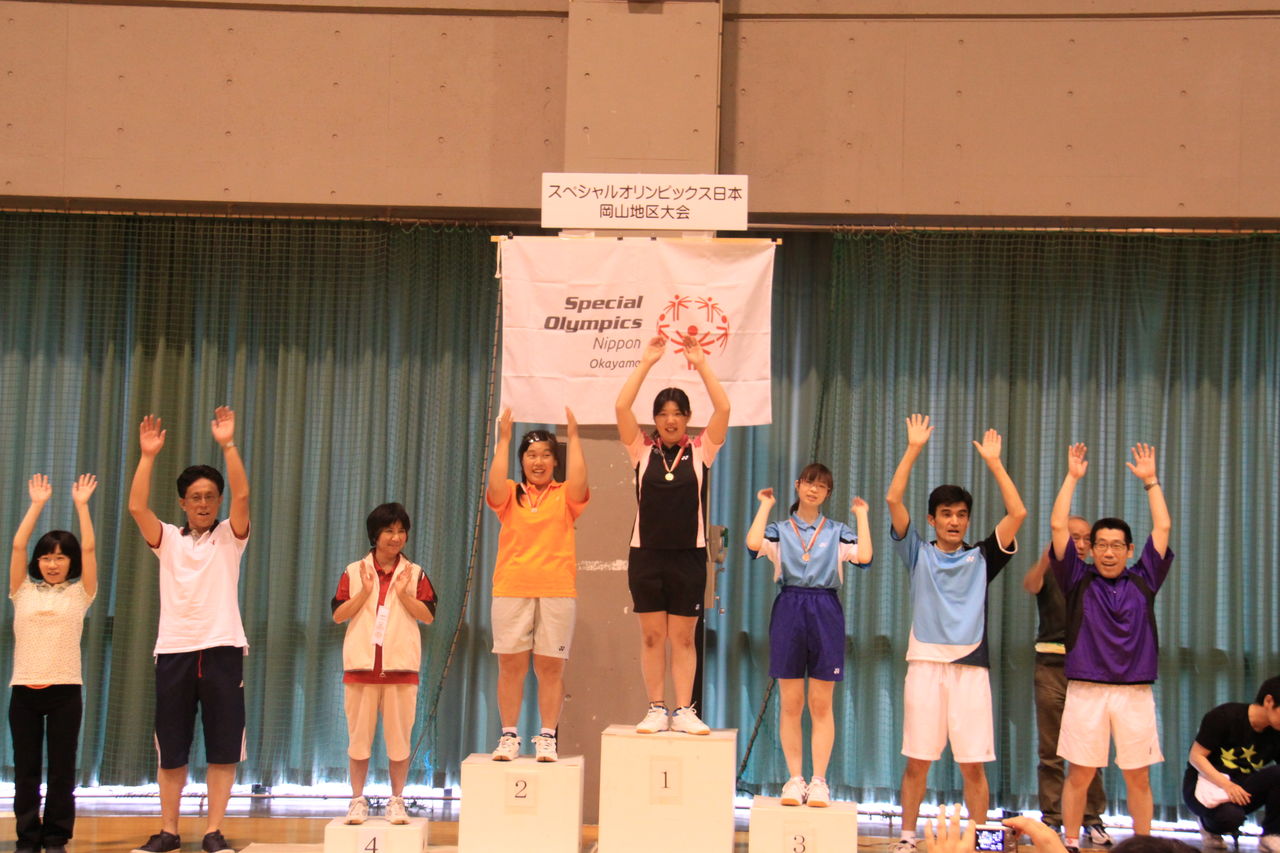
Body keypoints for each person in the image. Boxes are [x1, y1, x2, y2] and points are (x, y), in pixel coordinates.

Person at [885, 414, 1027, 853]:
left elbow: (1018, 513)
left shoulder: (983, 557)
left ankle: (983, 843)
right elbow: (893, 498)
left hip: (970, 669)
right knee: (918, 762)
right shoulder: (917, 553)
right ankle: (907, 838)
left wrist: (995, 463)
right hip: (925, 665)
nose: (954, 521)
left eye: (961, 515)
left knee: (973, 765)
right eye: (946, 514)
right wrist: (913, 448)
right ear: (932, 519)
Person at [128, 408, 251, 853]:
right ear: (183, 503)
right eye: (195, 497)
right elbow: (136, 507)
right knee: (172, 748)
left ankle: (213, 831)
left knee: (223, 747)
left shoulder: (231, 536)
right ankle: (169, 831)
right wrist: (147, 456)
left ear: (218, 501)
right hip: (174, 652)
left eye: (210, 497)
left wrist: (228, 445)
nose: (203, 504)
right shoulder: (168, 539)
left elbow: (243, 494)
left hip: (222, 650)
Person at [1050, 443, 1173, 850]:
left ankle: (1144, 845)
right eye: (1100, 544)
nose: (1107, 552)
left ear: (1130, 550)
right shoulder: (1076, 578)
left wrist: (1151, 481)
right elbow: (1057, 526)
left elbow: (1163, 528)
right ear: (1090, 548)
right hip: (1086, 690)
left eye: (1116, 545)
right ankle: (1070, 842)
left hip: (1135, 693)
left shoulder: (1145, 578)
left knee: (1138, 776)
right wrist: (1072, 478)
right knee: (1080, 774)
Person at [615, 334, 729, 735]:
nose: (670, 420)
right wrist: (646, 362)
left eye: (678, 413)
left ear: (687, 417)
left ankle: (683, 710)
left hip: (688, 556)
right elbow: (621, 406)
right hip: (646, 556)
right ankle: (656, 708)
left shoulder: (701, 451)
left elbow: (724, 408)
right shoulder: (640, 450)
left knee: (683, 638)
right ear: (656, 419)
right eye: (663, 414)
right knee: (651, 637)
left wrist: (702, 364)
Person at [745, 464, 873, 808]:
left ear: (828, 493)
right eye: (809, 483)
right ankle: (794, 779)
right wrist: (765, 505)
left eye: (822, 486)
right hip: (789, 606)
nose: (814, 490)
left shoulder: (838, 531)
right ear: (798, 485)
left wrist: (862, 516)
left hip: (825, 609)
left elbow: (864, 557)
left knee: (821, 703)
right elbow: (753, 544)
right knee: (791, 702)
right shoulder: (779, 529)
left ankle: (819, 782)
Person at [485, 407, 589, 763]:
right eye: (531, 455)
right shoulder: (510, 494)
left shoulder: (565, 495)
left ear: (555, 461)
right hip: (511, 588)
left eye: (546, 455)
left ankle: (547, 736)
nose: (538, 461)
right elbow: (494, 485)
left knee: (550, 667)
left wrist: (573, 436)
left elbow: (580, 480)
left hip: (557, 589)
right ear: (522, 461)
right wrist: (503, 440)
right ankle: (509, 735)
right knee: (510, 666)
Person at [8, 473, 98, 853]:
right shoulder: (21, 590)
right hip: (24, 692)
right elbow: (17, 545)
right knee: (26, 772)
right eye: (46, 557)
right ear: (38, 561)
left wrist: (82, 506)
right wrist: (37, 504)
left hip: (65, 692)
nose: (52, 563)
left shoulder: (81, 593)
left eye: (60, 557)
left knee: (62, 771)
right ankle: (28, 837)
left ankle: (57, 836)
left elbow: (90, 548)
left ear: (70, 561)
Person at [331, 503, 437, 824]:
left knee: (399, 741)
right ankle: (357, 800)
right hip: (361, 670)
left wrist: (403, 595)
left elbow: (428, 616)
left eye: (401, 531)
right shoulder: (354, 571)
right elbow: (338, 615)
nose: (396, 537)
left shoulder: (415, 573)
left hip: (401, 670)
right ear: (374, 535)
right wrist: (365, 592)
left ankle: (397, 800)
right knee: (358, 741)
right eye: (389, 530)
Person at [1023, 518, 1112, 844]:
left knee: (1090, 751)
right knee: (1050, 751)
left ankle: (1092, 819)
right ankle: (1052, 818)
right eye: (1074, 538)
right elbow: (1030, 584)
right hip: (1050, 667)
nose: (1080, 544)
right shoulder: (1049, 571)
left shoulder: (1096, 575)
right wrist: (1047, 557)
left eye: (1086, 539)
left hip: (1089, 672)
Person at [1182, 675, 1280, 852]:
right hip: (1206, 783)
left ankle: (1271, 835)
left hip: (1242, 788)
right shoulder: (1224, 716)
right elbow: (1196, 757)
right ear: (1269, 701)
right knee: (1230, 818)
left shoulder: (1277, 732)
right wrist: (1226, 785)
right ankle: (1207, 824)